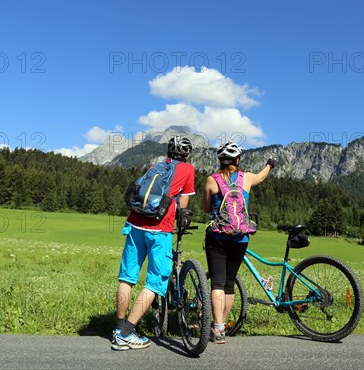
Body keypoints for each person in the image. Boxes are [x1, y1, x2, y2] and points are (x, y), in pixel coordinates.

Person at [112, 136, 195, 351]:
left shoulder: (156, 165)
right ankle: (127, 334)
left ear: (169, 152)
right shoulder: (188, 170)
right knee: (155, 282)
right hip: (160, 229)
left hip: (134, 223)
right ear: (186, 154)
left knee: (127, 277)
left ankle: (118, 328)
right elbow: (182, 206)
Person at [202, 141, 276, 344]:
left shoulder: (212, 179)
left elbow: (206, 208)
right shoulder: (248, 178)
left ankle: (216, 329)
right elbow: (262, 175)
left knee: (217, 282)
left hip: (218, 237)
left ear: (220, 160)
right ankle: (221, 326)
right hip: (241, 238)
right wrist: (270, 163)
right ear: (237, 160)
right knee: (229, 284)